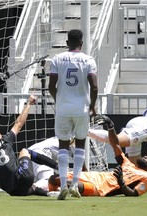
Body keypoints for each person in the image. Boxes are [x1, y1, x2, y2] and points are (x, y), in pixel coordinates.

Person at [48, 115, 147, 197]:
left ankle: (58, 193)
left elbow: (134, 194)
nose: (146, 156)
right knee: (53, 179)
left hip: (99, 188)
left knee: (73, 185)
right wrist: (110, 125)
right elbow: (115, 144)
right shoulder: (128, 164)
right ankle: (52, 193)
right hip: (93, 176)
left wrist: (121, 182)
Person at [48, 29, 98, 199]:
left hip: (63, 109)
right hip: (81, 109)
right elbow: (95, 86)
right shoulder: (88, 60)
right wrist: (92, 106)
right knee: (80, 144)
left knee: (62, 145)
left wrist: (58, 99)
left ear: (67, 42)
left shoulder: (57, 59)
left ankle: (63, 185)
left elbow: (51, 86)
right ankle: (75, 184)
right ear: (82, 43)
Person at [88, 107, 147, 185]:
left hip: (139, 123)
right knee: (116, 141)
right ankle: (85, 132)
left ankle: (124, 186)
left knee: (134, 170)